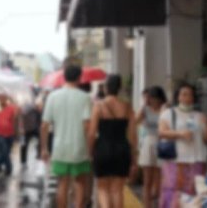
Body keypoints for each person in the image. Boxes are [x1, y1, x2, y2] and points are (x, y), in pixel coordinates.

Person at [41, 65, 92, 208]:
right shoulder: (85, 98)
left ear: (64, 77)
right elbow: (87, 125)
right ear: (79, 78)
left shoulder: (52, 96)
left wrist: (44, 148)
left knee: (62, 183)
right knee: (80, 182)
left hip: (59, 148)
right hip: (79, 147)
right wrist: (90, 148)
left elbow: (44, 125)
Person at [158, 83, 207, 208]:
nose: (188, 97)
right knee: (173, 192)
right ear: (178, 97)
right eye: (184, 94)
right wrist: (180, 134)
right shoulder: (168, 113)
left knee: (195, 194)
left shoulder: (200, 116)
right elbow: (161, 133)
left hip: (197, 161)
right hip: (176, 160)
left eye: (190, 94)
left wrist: (206, 125)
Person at [88, 74, 137, 208]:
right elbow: (133, 135)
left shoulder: (98, 106)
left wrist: (90, 151)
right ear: (119, 88)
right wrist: (134, 158)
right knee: (117, 190)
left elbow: (92, 133)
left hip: (102, 149)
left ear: (105, 88)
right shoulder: (127, 107)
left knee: (102, 189)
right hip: (122, 149)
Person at [136, 86, 167, 208]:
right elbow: (135, 121)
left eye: (155, 98)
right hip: (148, 142)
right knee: (147, 180)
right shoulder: (145, 109)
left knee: (159, 179)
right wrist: (143, 106)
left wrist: (164, 110)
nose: (153, 101)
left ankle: (158, 203)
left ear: (160, 98)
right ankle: (147, 205)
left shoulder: (165, 109)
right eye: (151, 98)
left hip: (162, 143)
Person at [0, 93, 18, 176]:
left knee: (7, 151)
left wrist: (16, 132)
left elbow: (15, 119)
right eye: (0, 98)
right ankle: (9, 168)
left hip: (9, 133)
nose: (2, 100)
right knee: (4, 151)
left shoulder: (11, 108)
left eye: (4, 98)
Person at [20, 102, 40, 170]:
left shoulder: (36, 112)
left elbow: (38, 120)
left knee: (40, 141)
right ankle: (23, 162)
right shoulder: (24, 112)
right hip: (26, 130)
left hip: (33, 129)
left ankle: (38, 154)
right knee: (24, 146)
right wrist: (22, 129)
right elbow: (21, 121)